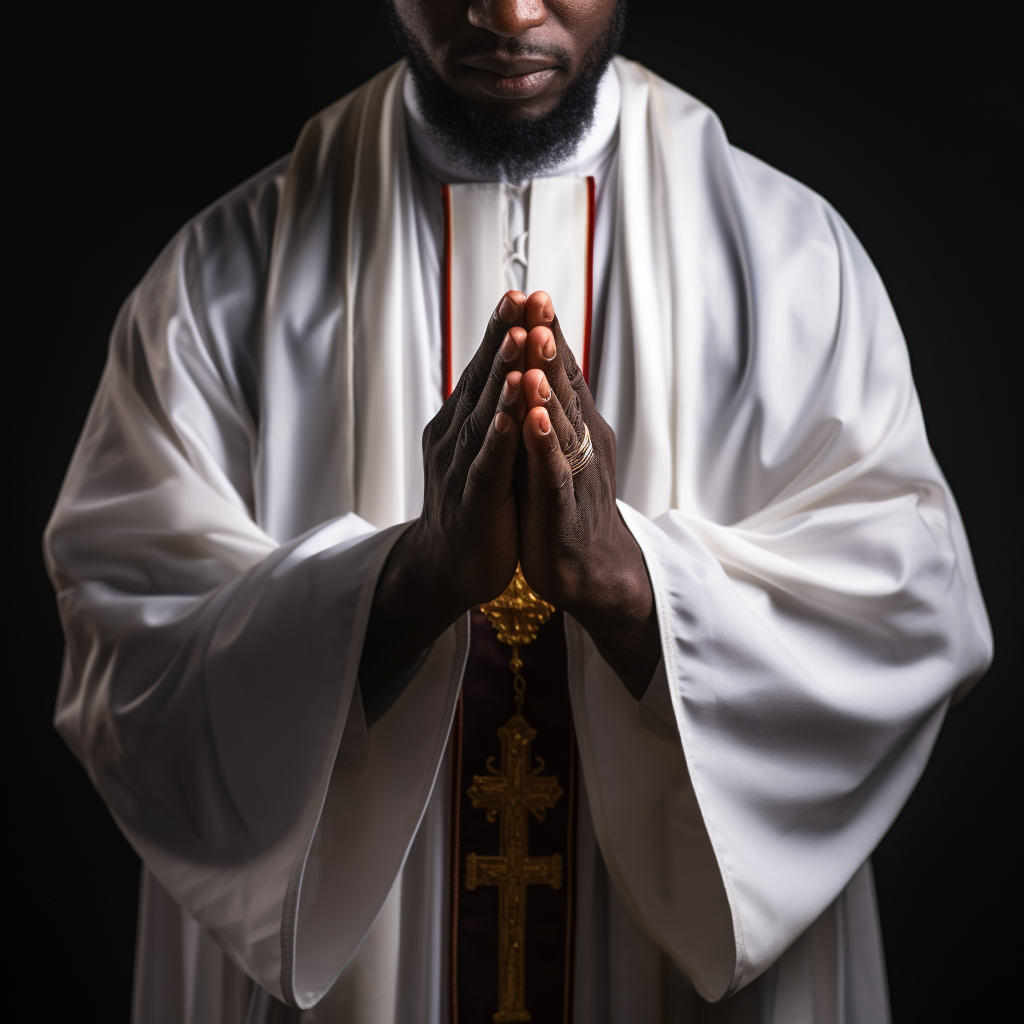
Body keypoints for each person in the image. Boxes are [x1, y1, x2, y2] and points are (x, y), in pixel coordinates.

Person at [43, 1, 992, 1021]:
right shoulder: (212, 292)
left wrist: (634, 592)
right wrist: (401, 589)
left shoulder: (793, 268)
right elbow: (130, 668)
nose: (508, 12)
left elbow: (907, 617)